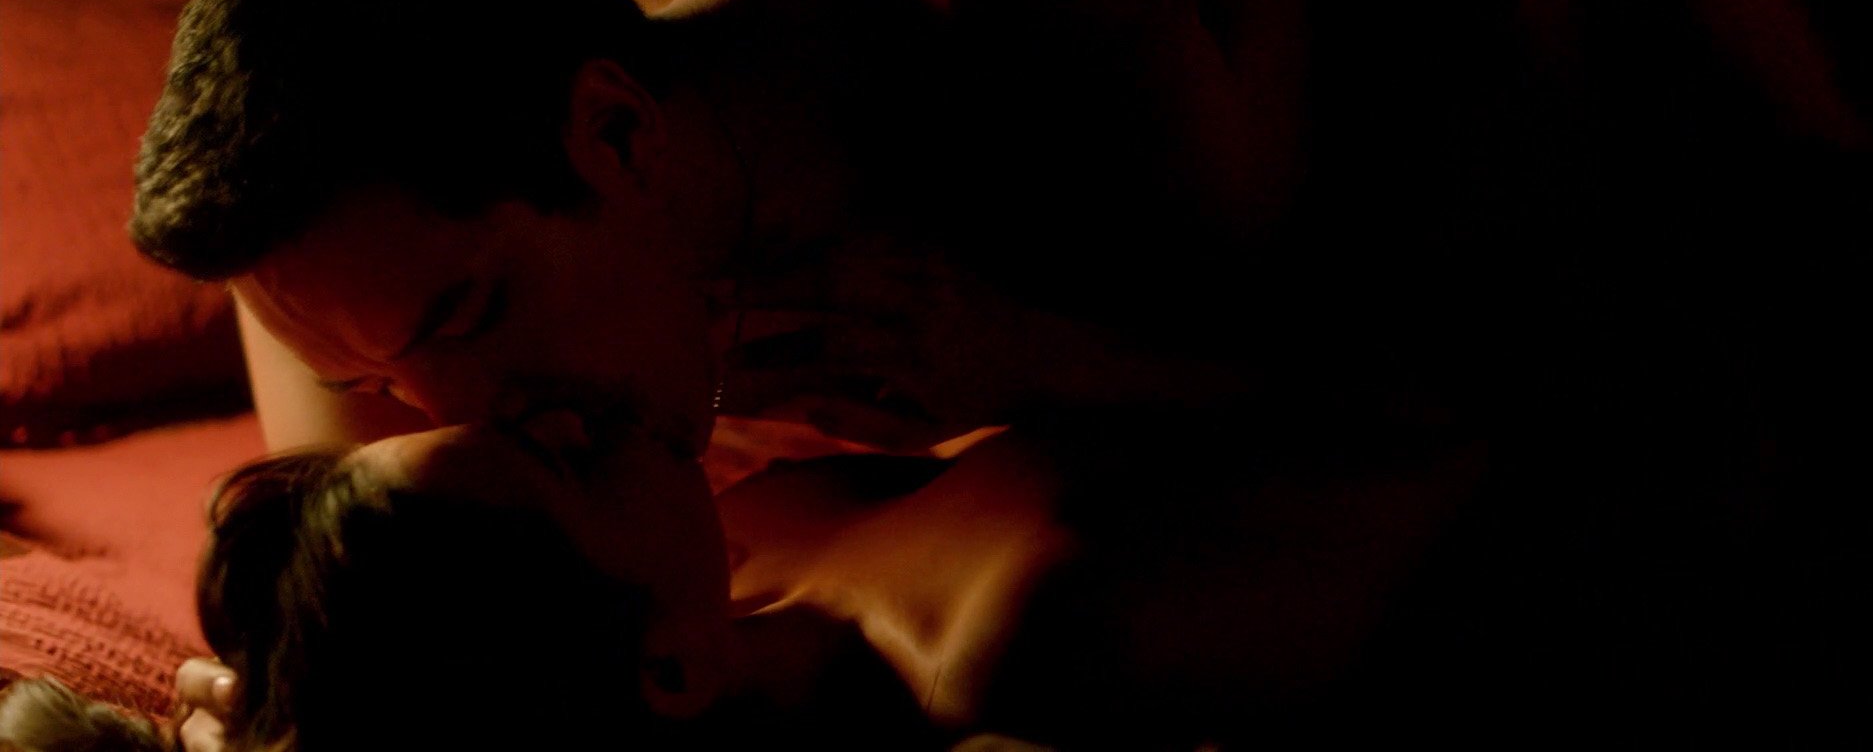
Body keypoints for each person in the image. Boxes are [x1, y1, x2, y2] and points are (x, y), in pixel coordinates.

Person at [132, 0, 1873, 746]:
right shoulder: (558, 307)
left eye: (461, 326)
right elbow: (355, 497)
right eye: (388, 374)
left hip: (1737, 181)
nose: (455, 415)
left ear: (613, 133)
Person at [0, 408, 1491, 751]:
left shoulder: (718, 570)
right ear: (664, 672)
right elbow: (1476, 488)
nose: (583, 400)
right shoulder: (1028, 621)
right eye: (566, 451)